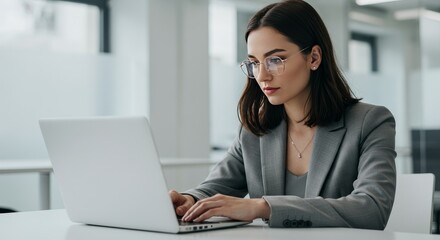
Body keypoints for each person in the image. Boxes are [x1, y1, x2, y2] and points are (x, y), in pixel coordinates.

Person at [169, 0, 396, 230]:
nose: (262, 76)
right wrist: (190, 200)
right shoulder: (254, 130)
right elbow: (215, 187)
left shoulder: (371, 122)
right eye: (255, 63)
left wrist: (265, 207)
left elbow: (372, 209)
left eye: (275, 60)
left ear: (314, 58)